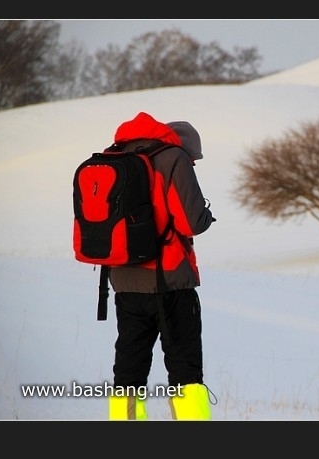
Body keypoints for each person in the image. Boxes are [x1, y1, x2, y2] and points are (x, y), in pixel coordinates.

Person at [105, 112, 216, 421]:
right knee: (185, 368)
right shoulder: (173, 158)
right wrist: (206, 214)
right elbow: (191, 221)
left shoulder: (118, 154)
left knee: (129, 364)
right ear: (187, 150)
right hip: (170, 282)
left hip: (125, 280)